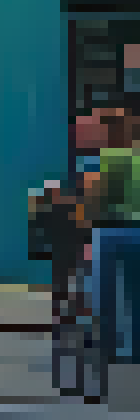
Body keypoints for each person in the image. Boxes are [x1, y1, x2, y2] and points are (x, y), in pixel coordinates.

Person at [83, 106, 140, 364]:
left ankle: (107, 347)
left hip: (108, 231)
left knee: (104, 293)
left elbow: (95, 197)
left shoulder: (103, 159)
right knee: (135, 293)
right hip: (137, 233)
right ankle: (135, 349)